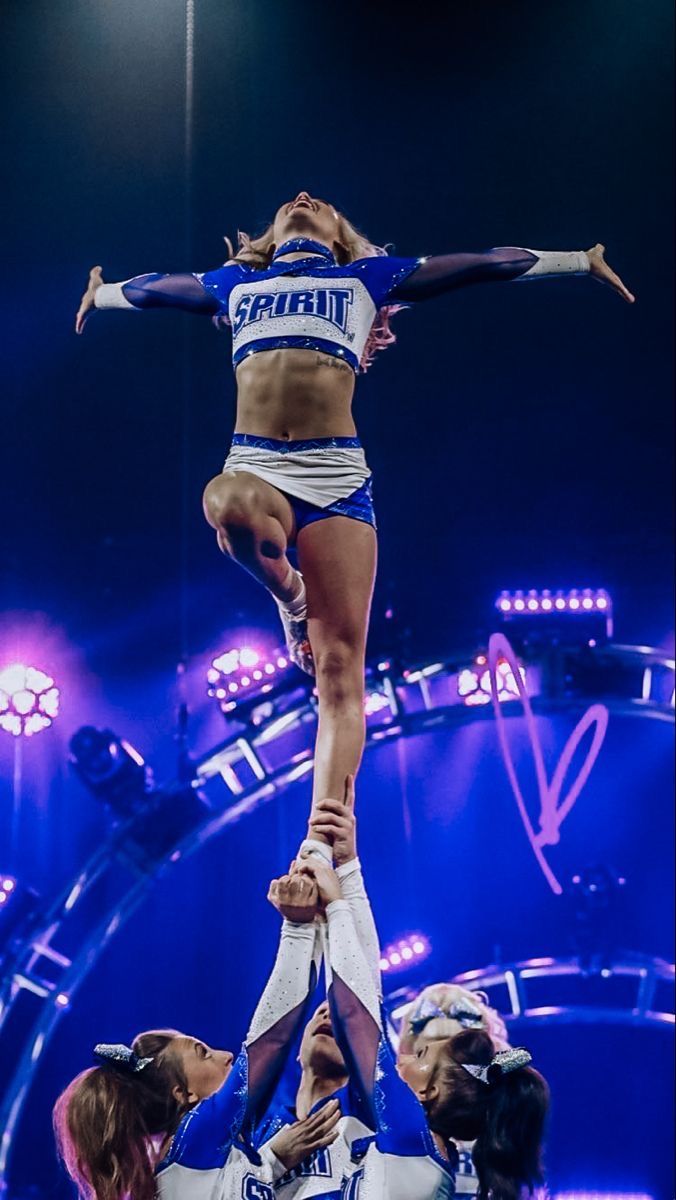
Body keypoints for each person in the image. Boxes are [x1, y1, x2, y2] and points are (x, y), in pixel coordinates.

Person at [75, 193, 634, 811]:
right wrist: (101, 292)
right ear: (269, 233)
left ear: (342, 236)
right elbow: (157, 289)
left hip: (336, 478)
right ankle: (292, 597)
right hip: (255, 464)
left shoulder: (364, 278)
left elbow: (483, 263)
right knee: (226, 503)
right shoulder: (235, 283)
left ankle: (326, 836)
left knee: (340, 675)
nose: (304, 198)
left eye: (321, 204)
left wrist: (580, 260)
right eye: (293, 201)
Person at [53, 871, 341, 1199]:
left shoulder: (182, 1168)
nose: (226, 1054)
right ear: (183, 1094)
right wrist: (299, 929)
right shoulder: (195, 1137)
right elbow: (270, 1039)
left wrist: (272, 1162)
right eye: (202, 1053)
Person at [298, 849, 550, 1199]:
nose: (399, 1060)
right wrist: (349, 866)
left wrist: (336, 906)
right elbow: (366, 1003)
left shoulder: (409, 1138)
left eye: (419, 1055)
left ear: (426, 1092)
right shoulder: (416, 1145)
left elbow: (357, 1013)